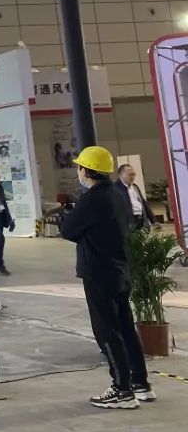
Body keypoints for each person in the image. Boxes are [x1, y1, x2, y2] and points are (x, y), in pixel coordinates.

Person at [60, 146, 154, 409]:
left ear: (86, 170)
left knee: (107, 331)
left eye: (80, 167)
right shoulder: (118, 194)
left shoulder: (91, 199)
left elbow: (69, 230)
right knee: (126, 328)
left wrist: (66, 216)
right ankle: (140, 383)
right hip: (120, 269)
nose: (78, 172)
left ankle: (122, 391)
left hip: (99, 273)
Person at [114, 164, 155, 232]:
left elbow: (144, 204)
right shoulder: (115, 189)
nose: (132, 177)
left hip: (140, 220)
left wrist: (153, 220)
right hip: (128, 223)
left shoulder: (135, 187)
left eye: (133, 174)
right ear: (121, 175)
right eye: (130, 175)